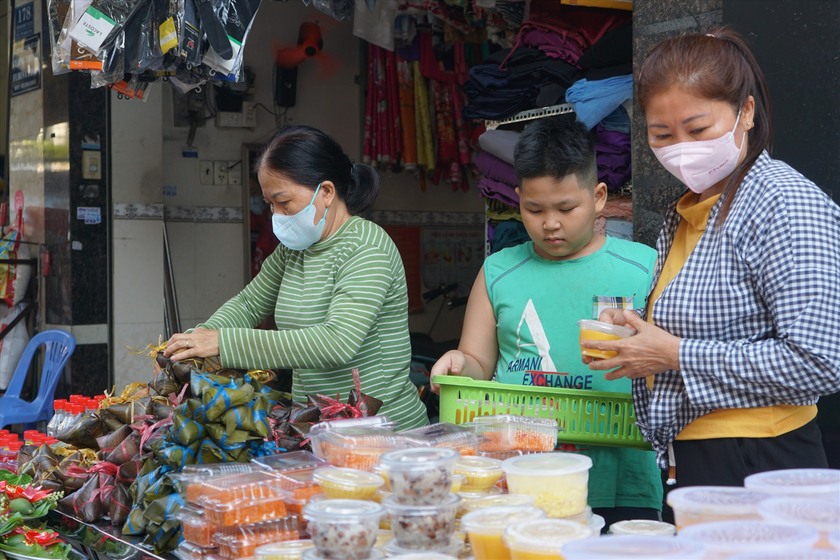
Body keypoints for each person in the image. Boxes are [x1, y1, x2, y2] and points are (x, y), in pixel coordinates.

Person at [582, 26, 840, 491]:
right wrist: (640, 334)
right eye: (662, 134)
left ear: (746, 111)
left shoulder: (783, 201)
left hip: (763, 456)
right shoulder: (686, 211)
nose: (682, 148)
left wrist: (673, 353)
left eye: (698, 129)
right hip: (697, 454)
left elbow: (819, 360)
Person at [431, 116, 663, 527]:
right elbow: (477, 363)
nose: (550, 223)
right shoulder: (498, 270)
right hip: (518, 475)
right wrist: (456, 363)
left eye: (566, 207)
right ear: (517, 197)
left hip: (620, 477)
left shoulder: (645, 267)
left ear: (600, 197)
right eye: (534, 209)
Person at [164, 125, 429, 431]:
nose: (276, 214)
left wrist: (223, 342)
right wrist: (198, 339)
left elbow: (336, 342)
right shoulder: (295, 251)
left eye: (283, 202)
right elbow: (250, 304)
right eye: (269, 204)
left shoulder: (367, 247)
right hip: (317, 428)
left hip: (384, 433)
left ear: (326, 192)